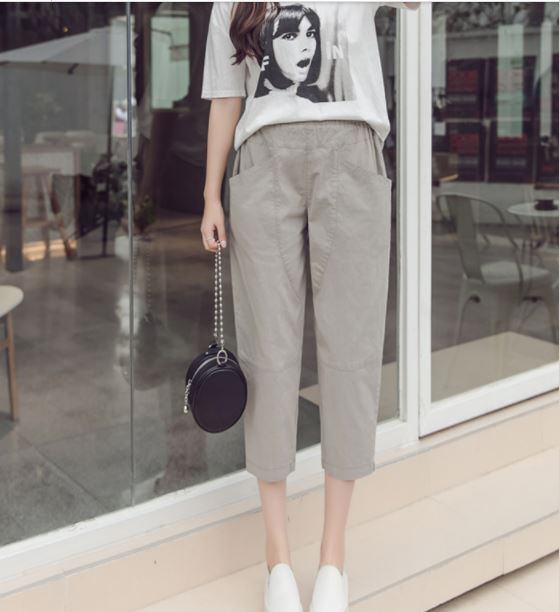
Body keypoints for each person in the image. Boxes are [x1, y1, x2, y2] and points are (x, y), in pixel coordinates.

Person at [200, 2, 420, 611]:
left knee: (352, 351)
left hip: (353, 154)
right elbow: (226, 95)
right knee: (267, 359)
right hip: (262, 161)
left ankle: (332, 557)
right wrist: (210, 195)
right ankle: (277, 557)